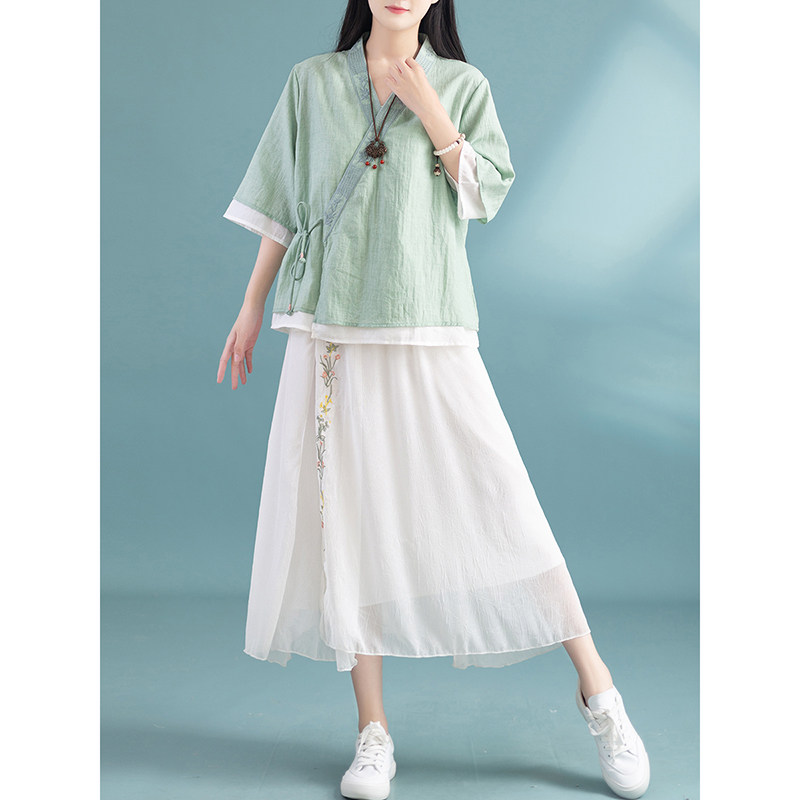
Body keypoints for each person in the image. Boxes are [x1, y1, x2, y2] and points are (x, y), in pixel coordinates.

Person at [217, 2, 650, 799]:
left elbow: (484, 194)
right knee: (348, 524)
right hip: (331, 328)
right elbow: (282, 200)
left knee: (500, 500)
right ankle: (373, 732)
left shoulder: (463, 85)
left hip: (429, 319)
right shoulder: (311, 83)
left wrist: (432, 111)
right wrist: (251, 307)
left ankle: (599, 693)